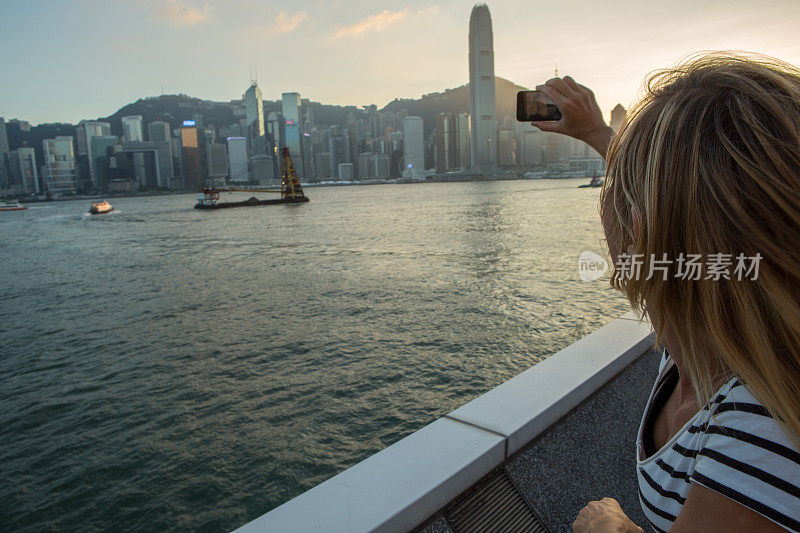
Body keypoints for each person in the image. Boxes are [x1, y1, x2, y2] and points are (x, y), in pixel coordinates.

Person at [534, 53, 800, 532]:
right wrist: (595, 130)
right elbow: (691, 208)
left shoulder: (762, 434)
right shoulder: (709, 330)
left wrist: (608, 527)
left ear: (639, 232)